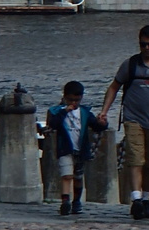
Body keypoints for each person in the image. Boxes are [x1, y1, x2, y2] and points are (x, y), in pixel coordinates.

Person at [96, 24, 149, 220]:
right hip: (133, 118)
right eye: (143, 44)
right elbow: (114, 87)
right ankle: (136, 200)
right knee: (135, 158)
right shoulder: (130, 64)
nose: (146, 49)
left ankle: (146, 198)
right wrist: (104, 111)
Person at [45, 81, 106, 216]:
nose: (74, 103)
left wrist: (102, 124)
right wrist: (64, 112)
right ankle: (65, 201)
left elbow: (95, 126)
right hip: (65, 148)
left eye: (77, 100)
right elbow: (53, 124)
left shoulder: (85, 112)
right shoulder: (58, 112)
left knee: (78, 177)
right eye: (71, 100)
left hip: (80, 148)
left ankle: (76, 201)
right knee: (67, 175)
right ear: (65, 97)